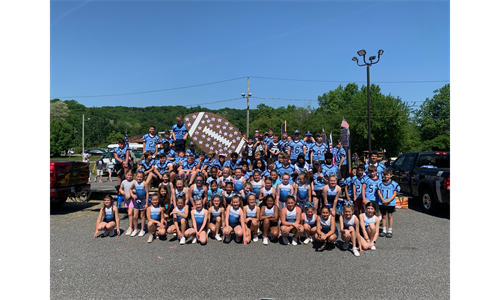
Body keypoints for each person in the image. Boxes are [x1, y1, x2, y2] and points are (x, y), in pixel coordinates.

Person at [377, 169, 400, 238]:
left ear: (391, 175)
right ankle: (384, 230)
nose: (386, 176)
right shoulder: (380, 183)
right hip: (382, 202)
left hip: (390, 202)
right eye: (385, 175)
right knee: (383, 216)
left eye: (387, 175)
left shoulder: (394, 184)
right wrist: (383, 200)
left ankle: (390, 230)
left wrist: (388, 201)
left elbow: (394, 194)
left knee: (390, 216)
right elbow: (379, 192)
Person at [129, 171, 149, 237]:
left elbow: (147, 193)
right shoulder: (135, 183)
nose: (139, 178)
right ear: (136, 176)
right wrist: (132, 194)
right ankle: (135, 229)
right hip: (136, 200)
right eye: (138, 176)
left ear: (143, 177)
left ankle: (142, 230)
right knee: (135, 216)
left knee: (142, 216)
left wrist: (146, 203)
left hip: (143, 200)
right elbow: (130, 189)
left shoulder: (145, 183)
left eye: (141, 177)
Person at [119, 169, 136, 236]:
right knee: (129, 214)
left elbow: (136, 189)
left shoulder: (134, 181)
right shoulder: (123, 181)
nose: (129, 176)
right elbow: (120, 188)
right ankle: (133, 226)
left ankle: (130, 227)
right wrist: (122, 192)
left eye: (131, 175)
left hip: (132, 199)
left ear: (133, 176)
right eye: (128, 175)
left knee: (130, 213)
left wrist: (131, 194)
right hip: (126, 199)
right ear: (125, 175)